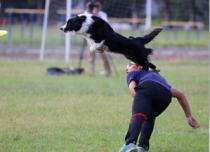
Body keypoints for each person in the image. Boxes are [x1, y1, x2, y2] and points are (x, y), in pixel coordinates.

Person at [119, 62, 200, 152]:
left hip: (147, 88)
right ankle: (143, 147)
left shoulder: (133, 73)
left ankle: (130, 143)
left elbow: (134, 92)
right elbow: (180, 94)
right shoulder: (156, 75)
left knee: (138, 115)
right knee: (149, 117)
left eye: (130, 65)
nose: (127, 69)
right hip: (165, 95)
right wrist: (188, 116)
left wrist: (140, 101)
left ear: (140, 67)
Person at [84, 0, 111, 76]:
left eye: (97, 5)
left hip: (101, 39)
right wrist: (88, 9)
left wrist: (96, 15)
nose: (96, 7)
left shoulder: (103, 14)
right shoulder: (87, 13)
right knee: (91, 57)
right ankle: (91, 73)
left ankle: (108, 71)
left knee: (104, 56)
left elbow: (105, 25)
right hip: (91, 39)